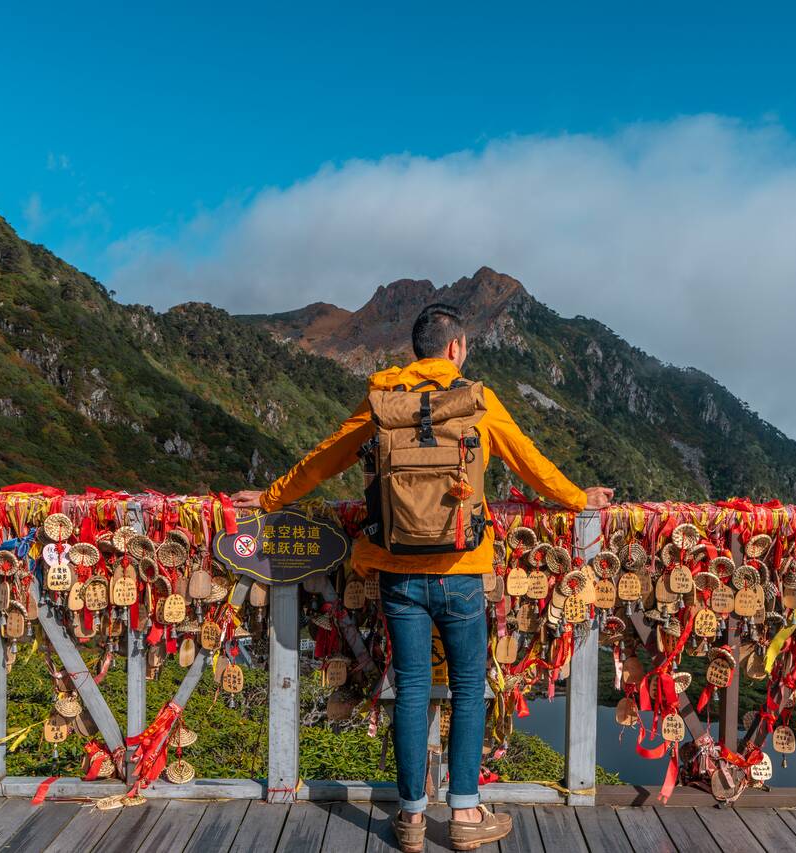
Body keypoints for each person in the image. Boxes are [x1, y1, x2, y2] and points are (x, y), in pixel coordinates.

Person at [232, 302, 612, 852]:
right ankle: (464, 814)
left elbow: (326, 458)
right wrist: (579, 498)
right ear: (455, 349)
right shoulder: (476, 402)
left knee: (410, 689)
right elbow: (530, 461)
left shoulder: (384, 401)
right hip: (462, 570)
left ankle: (410, 816)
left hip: (397, 571)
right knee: (469, 691)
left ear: (417, 352)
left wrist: (270, 497)